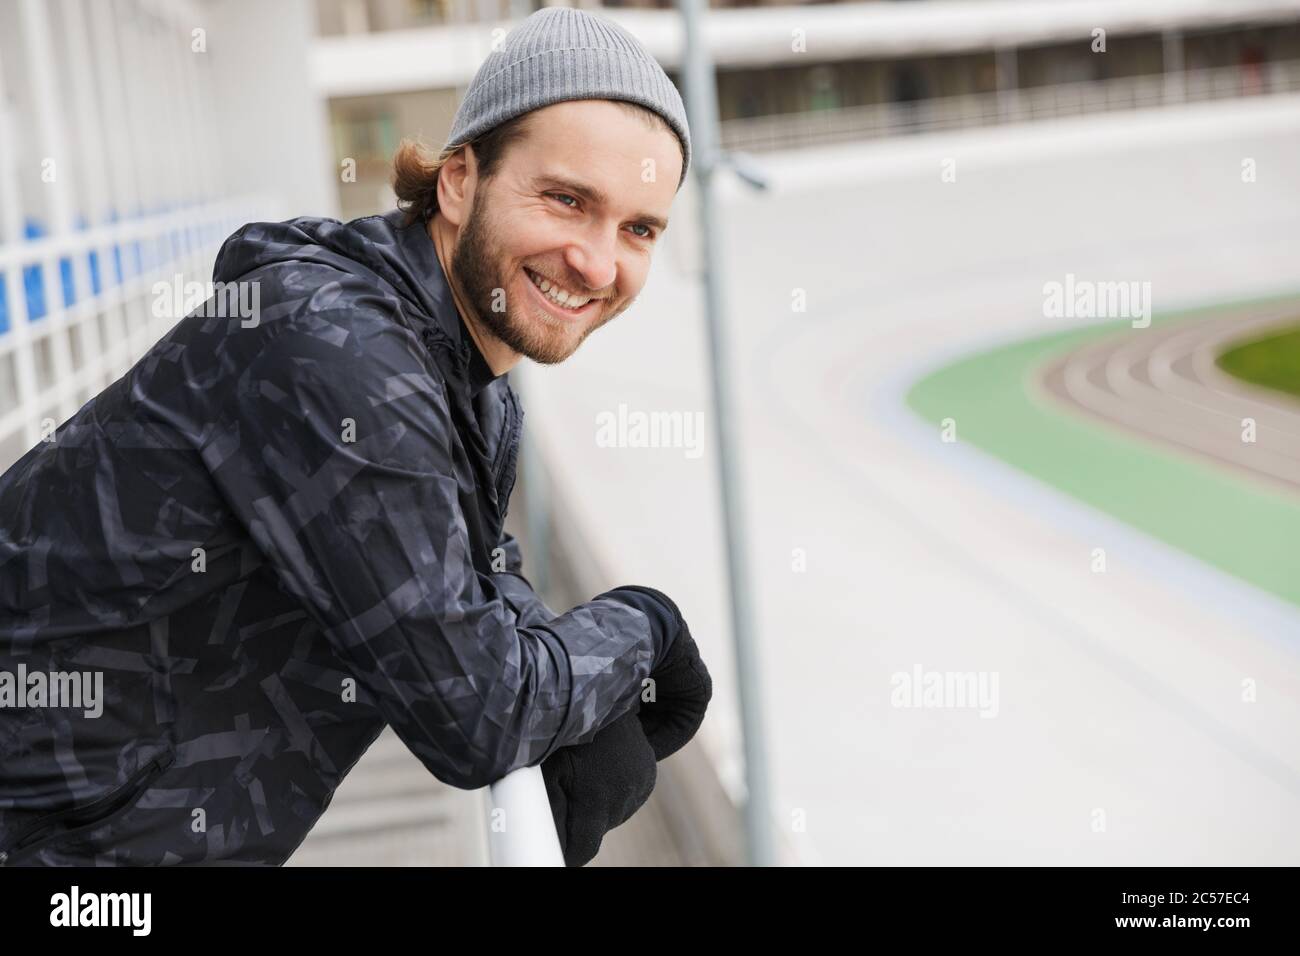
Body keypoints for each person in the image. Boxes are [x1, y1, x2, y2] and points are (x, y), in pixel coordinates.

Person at [0, 6, 710, 867]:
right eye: (567, 200)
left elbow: (477, 590)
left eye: (638, 228)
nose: (598, 263)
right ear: (458, 181)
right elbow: (476, 714)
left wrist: (574, 689)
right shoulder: (336, 349)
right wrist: (649, 628)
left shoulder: (468, 381)